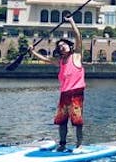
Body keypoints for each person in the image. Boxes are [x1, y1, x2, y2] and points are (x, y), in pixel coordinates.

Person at [29, 16, 86, 153]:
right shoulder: (60, 61)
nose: (62, 47)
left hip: (76, 92)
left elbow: (78, 37)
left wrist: (71, 21)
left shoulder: (76, 56)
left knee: (77, 121)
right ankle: (62, 144)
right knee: (62, 121)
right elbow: (46, 59)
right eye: (59, 47)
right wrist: (33, 52)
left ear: (70, 46)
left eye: (64, 45)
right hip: (64, 94)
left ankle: (79, 145)